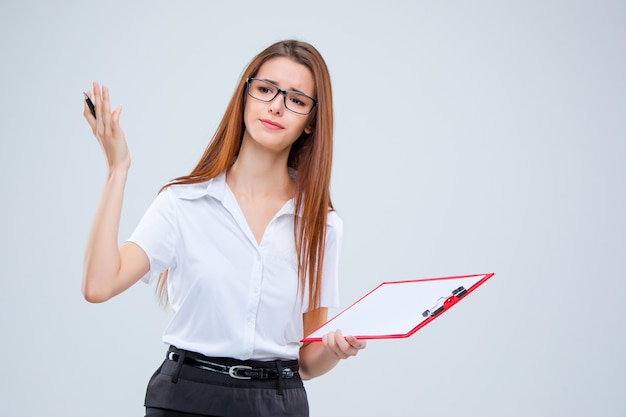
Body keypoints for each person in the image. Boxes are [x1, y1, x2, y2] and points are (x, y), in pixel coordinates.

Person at [82, 39, 366, 416]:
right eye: (266, 90)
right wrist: (117, 169)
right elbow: (99, 285)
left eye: (296, 100)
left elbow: (307, 361)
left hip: (278, 403)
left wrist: (333, 348)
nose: (277, 105)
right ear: (245, 97)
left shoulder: (321, 225)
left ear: (311, 121)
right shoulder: (183, 202)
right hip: (185, 399)